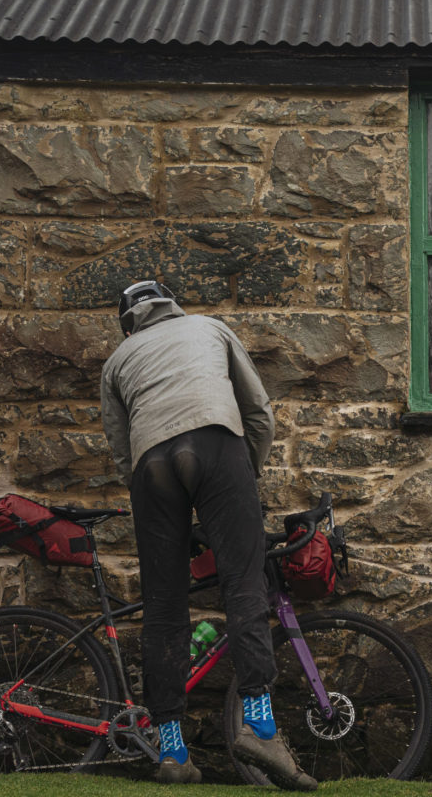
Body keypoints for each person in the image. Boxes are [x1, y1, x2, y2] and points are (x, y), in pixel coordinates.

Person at [100, 280, 315, 790]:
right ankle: (260, 727)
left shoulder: (117, 360)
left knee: (164, 607)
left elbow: (120, 449)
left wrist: (155, 490)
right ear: (172, 305)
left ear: (128, 322)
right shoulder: (211, 328)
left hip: (150, 463)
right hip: (216, 443)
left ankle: (173, 752)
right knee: (244, 583)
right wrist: (245, 478)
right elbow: (257, 411)